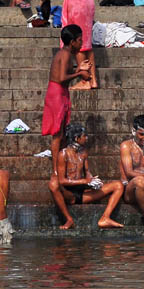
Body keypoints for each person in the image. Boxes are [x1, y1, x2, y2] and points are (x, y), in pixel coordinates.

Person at [43, 24, 91, 223]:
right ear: (72, 42)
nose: (81, 42)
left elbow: (65, 73)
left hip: (60, 93)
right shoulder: (63, 54)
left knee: (61, 133)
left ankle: (57, 167)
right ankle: (56, 170)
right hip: (56, 94)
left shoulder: (67, 55)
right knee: (58, 135)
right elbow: (62, 77)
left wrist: (78, 69)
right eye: (79, 40)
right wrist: (79, 73)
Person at [48, 123, 124, 230]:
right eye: (84, 136)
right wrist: (85, 181)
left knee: (118, 185)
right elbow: (62, 181)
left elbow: (87, 172)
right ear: (76, 138)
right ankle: (69, 219)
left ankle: (105, 218)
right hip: (68, 194)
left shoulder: (83, 153)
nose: (86, 138)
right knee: (53, 184)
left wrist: (93, 181)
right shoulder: (63, 154)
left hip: (82, 194)